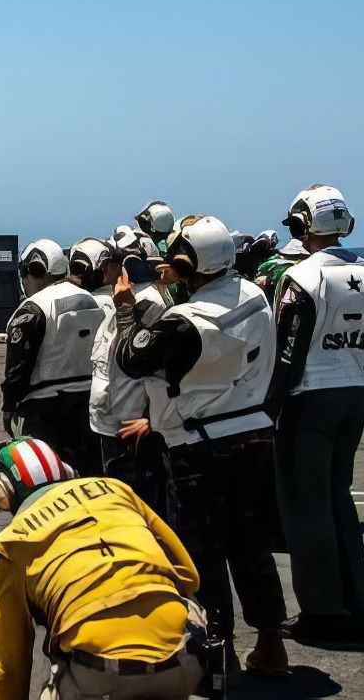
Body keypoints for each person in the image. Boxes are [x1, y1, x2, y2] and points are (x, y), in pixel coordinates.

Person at [117, 214, 290, 676]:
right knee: (251, 545)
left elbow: (132, 358)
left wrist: (129, 308)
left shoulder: (184, 323)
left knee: (203, 551)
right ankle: (271, 644)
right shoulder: (254, 296)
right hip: (253, 431)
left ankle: (219, 653)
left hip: (199, 443)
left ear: (187, 263)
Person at [0, 437, 210, 700]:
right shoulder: (118, 490)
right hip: (182, 664)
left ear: (2, 493)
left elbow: (11, 666)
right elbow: (189, 577)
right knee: (183, 598)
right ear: (66, 471)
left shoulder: (13, 543)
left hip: (98, 680)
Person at [268, 185, 364, 642]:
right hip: (353, 392)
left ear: (302, 226)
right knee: (339, 500)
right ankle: (357, 603)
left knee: (305, 509)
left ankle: (322, 611)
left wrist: (271, 409)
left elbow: (288, 353)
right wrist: (360, 386)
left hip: (307, 399)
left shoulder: (302, 277)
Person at [3, 239, 105, 475]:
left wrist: (8, 407)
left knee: (44, 479)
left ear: (33, 270)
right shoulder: (88, 299)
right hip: (86, 405)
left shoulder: (32, 308)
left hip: (43, 410)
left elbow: (17, 365)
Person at [73, 238, 148, 490]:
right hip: (108, 421)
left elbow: (140, 359)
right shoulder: (105, 304)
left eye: (111, 265)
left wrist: (152, 418)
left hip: (127, 421)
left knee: (126, 491)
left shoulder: (146, 304)